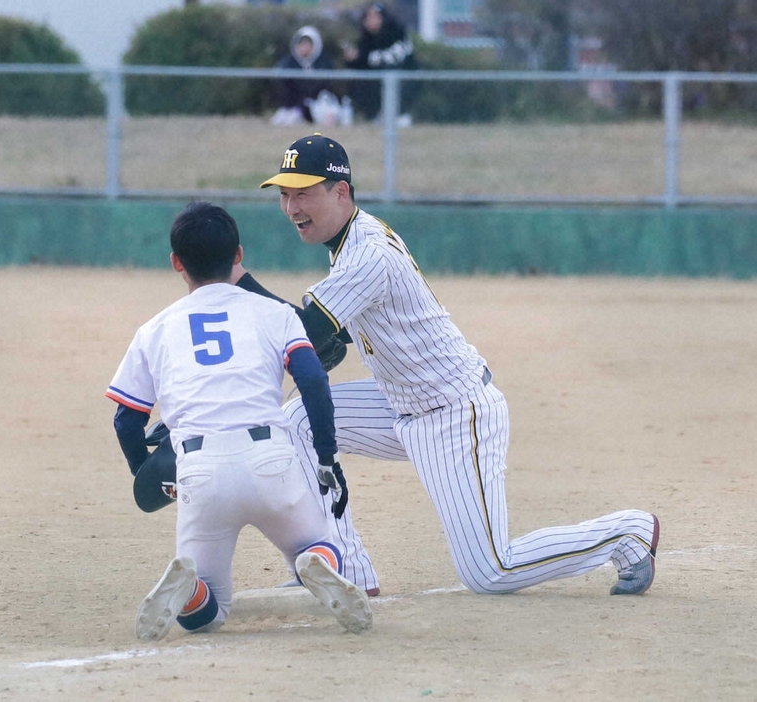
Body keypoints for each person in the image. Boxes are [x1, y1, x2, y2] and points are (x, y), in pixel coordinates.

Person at [230, 133, 660, 598]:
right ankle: (347, 572)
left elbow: (308, 332)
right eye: (285, 194)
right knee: (299, 420)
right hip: (400, 404)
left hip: (454, 413)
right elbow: (328, 344)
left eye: (304, 192)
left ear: (341, 192)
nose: (293, 206)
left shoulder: (367, 253)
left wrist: (234, 280)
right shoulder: (349, 242)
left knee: (491, 571)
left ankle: (627, 533)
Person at [105, 201, 372, 641]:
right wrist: (326, 455)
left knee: (208, 614)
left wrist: (148, 475)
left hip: (199, 471)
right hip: (270, 460)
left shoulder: (154, 329)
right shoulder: (275, 314)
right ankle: (316, 564)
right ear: (238, 255)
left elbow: (125, 421)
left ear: (176, 263)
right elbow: (312, 380)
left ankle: (189, 592)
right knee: (322, 547)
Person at [343, 2, 417, 123]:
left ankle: (400, 116)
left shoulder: (397, 33)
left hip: (403, 81)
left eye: (375, 17)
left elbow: (392, 58)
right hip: (375, 89)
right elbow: (362, 64)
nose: (371, 21)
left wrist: (362, 57)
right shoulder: (365, 39)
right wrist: (352, 59)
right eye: (368, 17)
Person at [271, 25, 339, 127]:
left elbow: (327, 87)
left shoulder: (324, 63)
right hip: (294, 106)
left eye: (308, 44)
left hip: (319, 104)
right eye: (302, 44)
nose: (304, 48)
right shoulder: (288, 63)